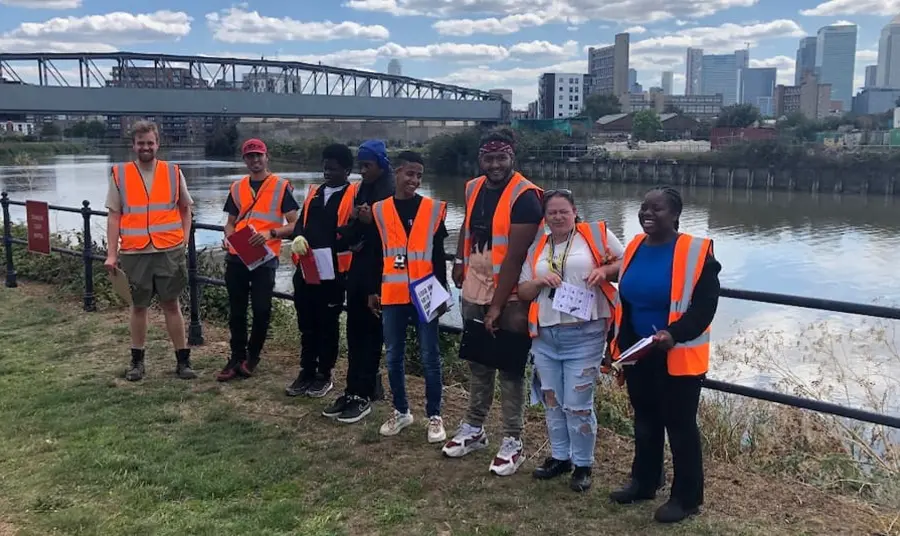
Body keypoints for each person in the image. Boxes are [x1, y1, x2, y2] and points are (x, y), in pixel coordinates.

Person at [607, 186, 721, 523]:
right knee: (645, 421)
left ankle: (686, 499)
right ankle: (644, 481)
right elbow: (626, 301)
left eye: (656, 209)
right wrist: (622, 347)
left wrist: (673, 334)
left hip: (678, 354)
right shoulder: (634, 247)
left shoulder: (697, 252)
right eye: (644, 208)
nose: (647, 214)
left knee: (680, 426)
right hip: (640, 352)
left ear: (675, 214)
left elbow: (704, 308)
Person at [441, 128, 543, 476]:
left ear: (513, 156)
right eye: (489, 157)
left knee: (510, 367)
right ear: (480, 158)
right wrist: (458, 261)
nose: (495, 164)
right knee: (478, 361)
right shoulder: (472, 187)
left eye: (502, 157)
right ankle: (474, 428)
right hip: (474, 286)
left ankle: (513, 440)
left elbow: (514, 259)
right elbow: (468, 227)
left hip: (510, 295)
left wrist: (498, 307)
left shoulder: (526, 197)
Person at [516, 189, 624, 492]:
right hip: (546, 335)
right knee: (552, 401)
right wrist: (538, 281)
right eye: (552, 213)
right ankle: (560, 457)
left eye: (564, 211)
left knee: (577, 404)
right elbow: (523, 291)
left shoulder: (596, 235)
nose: (559, 217)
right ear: (545, 217)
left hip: (585, 334)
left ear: (575, 211)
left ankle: (583, 463)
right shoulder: (538, 246)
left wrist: (604, 270)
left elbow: (626, 262)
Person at [103, 120, 196, 381]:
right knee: (138, 306)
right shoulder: (120, 174)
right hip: (135, 252)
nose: (146, 147)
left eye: (150, 142)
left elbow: (185, 209)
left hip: (168, 249)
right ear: (133, 145)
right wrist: (112, 254)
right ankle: (137, 362)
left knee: (171, 304)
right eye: (141, 143)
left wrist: (183, 242)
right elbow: (114, 216)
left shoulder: (173, 172)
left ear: (158, 144)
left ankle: (183, 361)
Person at [370, 151, 449, 443]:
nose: (414, 180)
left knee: (430, 357)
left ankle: (434, 415)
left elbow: (439, 256)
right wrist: (372, 290)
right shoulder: (380, 211)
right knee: (393, 357)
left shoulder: (432, 210)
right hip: (392, 294)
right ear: (397, 173)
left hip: (425, 293)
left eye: (418, 175)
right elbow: (375, 254)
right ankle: (401, 411)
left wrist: (442, 294)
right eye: (409, 173)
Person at [323, 139, 394, 424]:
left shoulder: (388, 191)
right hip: (358, 272)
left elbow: (391, 238)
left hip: (378, 276)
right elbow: (353, 233)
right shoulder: (365, 188)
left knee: (369, 336)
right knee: (355, 334)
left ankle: (363, 394)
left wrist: (366, 224)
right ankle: (353, 390)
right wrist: (351, 226)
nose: (362, 171)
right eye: (361, 165)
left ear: (381, 164)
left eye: (368, 165)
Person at [218, 138, 299, 382]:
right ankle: (235, 357)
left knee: (262, 310)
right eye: (250, 156)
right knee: (237, 311)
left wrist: (271, 233)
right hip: (237, 255)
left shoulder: (281, 186)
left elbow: (295, 224)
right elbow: (230, 223)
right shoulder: (237, 187)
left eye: (258, 156)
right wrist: (229, 238)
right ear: (244, 160)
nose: (255, 160)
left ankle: (252, 356)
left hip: (265, 257)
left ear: (267, 157)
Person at [285, 143, 359, 398]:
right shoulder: (315, 193)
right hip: (306, 268)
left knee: (327, 324)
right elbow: (300, 225)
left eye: (334, 169)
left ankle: (324, 374)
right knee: (306, 323)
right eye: (325, 167)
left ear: (347, 170)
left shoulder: (354, 195)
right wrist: (298, 239)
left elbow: (356, 232)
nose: (327, 173)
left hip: (334, 273)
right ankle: (306, 370)